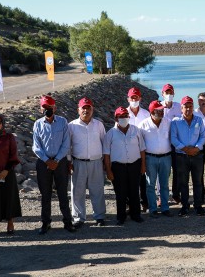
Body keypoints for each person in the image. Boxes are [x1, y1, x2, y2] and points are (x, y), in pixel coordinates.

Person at [32, 95, 75, 235]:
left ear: (54, 108)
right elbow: (36, 146)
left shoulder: (62, 122)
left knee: (63, 193)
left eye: (49, 107)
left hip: (60, 162)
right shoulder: (37, 124)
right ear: (40, 109)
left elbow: (66, 143)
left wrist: (56, 160)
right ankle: (46, 222)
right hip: (44, 162)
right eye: (44, 107)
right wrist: (47, 160)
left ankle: (68, 221)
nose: (47, 109)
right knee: (45, 194)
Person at [103, 107, 146, 225]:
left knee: (134, 191)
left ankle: (135, 214)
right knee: (120, 193)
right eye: (121, 117)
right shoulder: (110, 134)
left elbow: (142, 149)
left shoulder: (136, 130)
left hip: (134, 165)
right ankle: (121, 216)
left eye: (126, 116)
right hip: (118, 167)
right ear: (116, 118)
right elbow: (106, 154)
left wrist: (143, 165)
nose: (124, 118)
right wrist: (108, 171)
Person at [69, 97, 107, 228]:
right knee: (77, 192)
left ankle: (100, 216)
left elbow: (104, 143)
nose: (86, 110)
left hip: (96, 162)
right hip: (78, 162)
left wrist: (105, 162)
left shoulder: (99, 125)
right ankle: (78, 218)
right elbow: (68, 146)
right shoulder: (72, 126)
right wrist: (69, 162)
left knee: (97, 190)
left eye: (88, 107)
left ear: (92, 109)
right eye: (83, 108)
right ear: (78, 109)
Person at [171, 96, 205, 216]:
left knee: (198, 182)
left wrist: (196, 148)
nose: (188, 109)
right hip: (182, 156)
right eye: (186, 106)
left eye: (190, 106)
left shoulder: (199, 120)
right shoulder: (175, 122)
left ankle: (198, 206)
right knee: (183, 183)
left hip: (197, 155)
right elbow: (173, 139)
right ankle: (185, 206)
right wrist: (185, 149)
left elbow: (202, 136)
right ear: (181, 108)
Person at [139, 100, 174, 218]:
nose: (161, 112)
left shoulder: (168, 122)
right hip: (150, 158)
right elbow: (140, 145)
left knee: (164, 184)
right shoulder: (143, 125)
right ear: (152, 111)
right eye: (158, 110)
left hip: (166, 157)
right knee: (150, 184)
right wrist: (142, 162)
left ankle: (165, 208)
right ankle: (153, 208)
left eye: (162, 110)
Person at [127, 87, 150, 212]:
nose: (134, 99)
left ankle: (144, 202)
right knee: (128, 178)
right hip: (127, 150)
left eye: (136, 97)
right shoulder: (123, 113)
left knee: (142, 177)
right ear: (128, 99)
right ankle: (129, 203)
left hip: (142, 149)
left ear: (140, 98)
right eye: (132, 97)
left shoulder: (146, 114)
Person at [162, 83, 182, 205]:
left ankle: (176, 194)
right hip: (163, 144)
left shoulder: (179, 107)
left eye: (170, 92)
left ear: (173, 94)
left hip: (176, 144)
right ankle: (161, 196)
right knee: (164, 172)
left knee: (177, 170)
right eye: (166, 92)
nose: (168, 95)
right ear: (162, 94)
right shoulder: (158, 107)